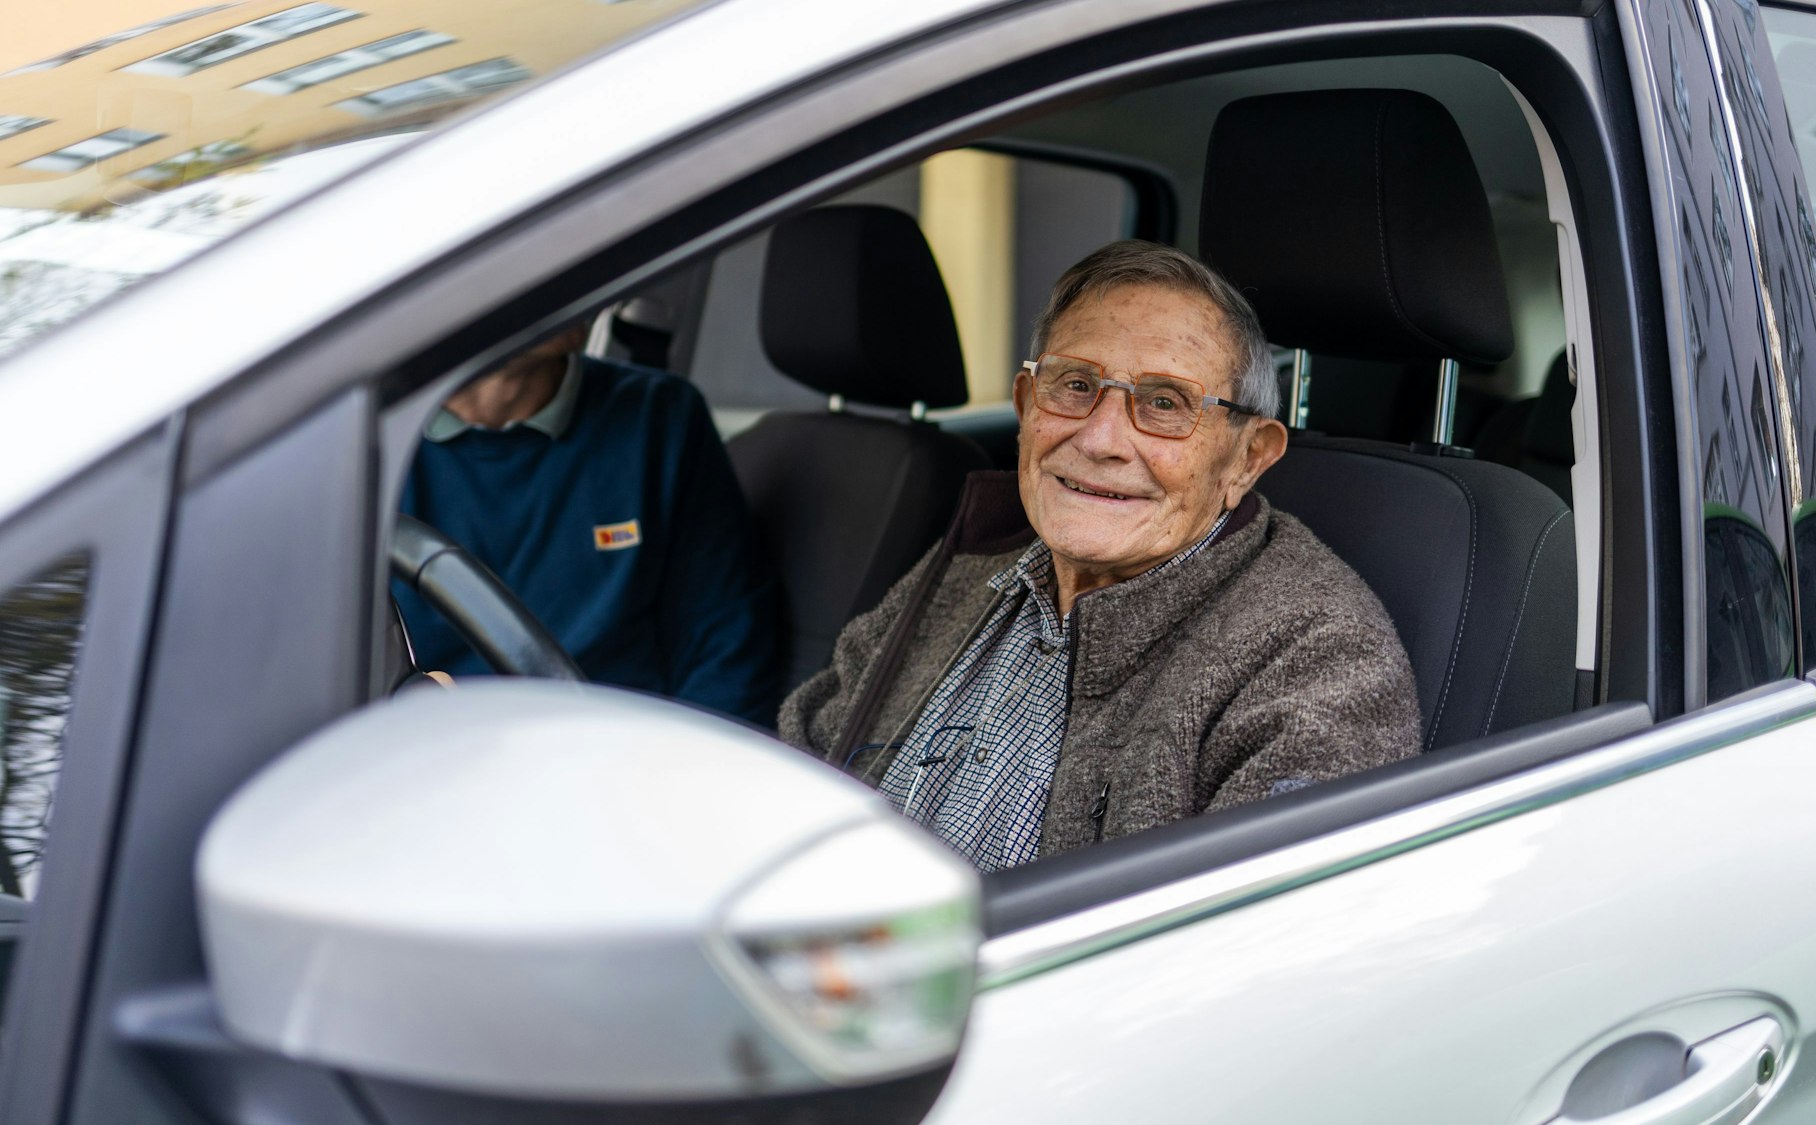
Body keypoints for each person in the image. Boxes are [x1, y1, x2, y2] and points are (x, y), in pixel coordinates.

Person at [780, 241, 1420, 871]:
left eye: (1164, 403)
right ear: (1026, 407)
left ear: (1247, 459)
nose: (1099, 439)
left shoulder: (1318, 656)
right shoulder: (973, 564)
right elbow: (799, 767)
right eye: (1076, 385)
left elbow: (1253, 924)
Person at [395, 324, 783, 725]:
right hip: (428, 751)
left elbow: (725, 647)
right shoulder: (369, 438)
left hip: (619, 748)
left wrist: (685, 759)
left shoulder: (660, 417)